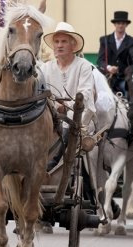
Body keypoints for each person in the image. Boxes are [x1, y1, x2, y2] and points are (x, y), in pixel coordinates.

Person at [40, 21, 96, 170]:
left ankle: (54, 160)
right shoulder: (46, 68)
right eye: (56, 42)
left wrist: (66, 107)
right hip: (52, 112)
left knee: (69, 119)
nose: (59, 45)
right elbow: (42, 93)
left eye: (64, 41)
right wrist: (54, 106)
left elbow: (84, 94)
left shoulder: (83, 65)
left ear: (73, 45)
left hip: (79, 112)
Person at [97, 11, 133, 96]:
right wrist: (108, 68)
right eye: (118, 23)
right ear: (115, 24)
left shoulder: (132, 42)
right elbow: (100, 60)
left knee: (130, 93)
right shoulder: (105, 40)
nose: (120, 25)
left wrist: (121, 69)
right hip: (107, 78)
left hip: (124, 79)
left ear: (126, 25)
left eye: (123, 23)